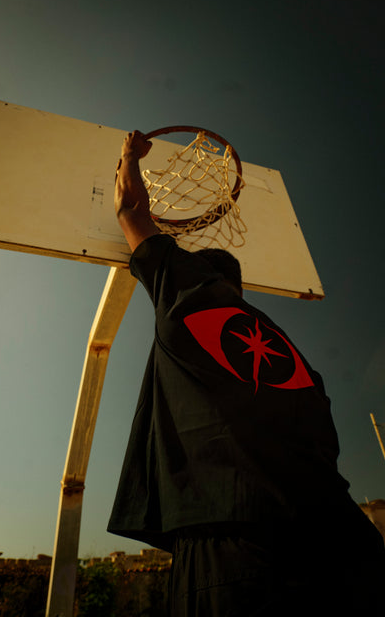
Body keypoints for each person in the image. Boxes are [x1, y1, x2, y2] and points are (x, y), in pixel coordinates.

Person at [108, 131, 385, 616]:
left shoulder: (184, 294)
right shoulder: (297, 358)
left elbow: (132, 210)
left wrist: (130, 155)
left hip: (236, 543)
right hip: (348, 543)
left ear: (200, 272)